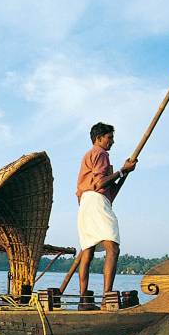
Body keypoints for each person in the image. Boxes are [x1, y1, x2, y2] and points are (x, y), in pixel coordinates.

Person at [75, 122, 137, 308]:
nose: (112, 141)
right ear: (98, 138)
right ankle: (106, 299)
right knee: (113, 248)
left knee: (88, 251)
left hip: (88, 204)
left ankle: (84, 300)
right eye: (109, 138)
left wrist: (125, 173)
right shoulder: (100, 153)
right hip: (95, 201)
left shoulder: (94, 156)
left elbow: (111, 193)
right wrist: (121, 170)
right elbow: (99, 184)